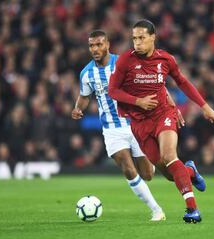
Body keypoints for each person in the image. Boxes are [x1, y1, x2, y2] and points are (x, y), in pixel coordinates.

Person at [108, 20, 214, 223]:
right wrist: (138, 101)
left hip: (163, 114)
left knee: (170, 156)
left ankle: (192, 210)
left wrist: (205, 107)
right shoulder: (126, 60)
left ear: (153, 37)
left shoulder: (166, 59)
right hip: (139, 124)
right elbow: (113, 90)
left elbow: (183, 82)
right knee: (171, 174)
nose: (137, 42)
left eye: (142, 38)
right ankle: (190, 171)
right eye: (134, 38)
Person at [72, 30, 172, 221]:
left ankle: (154, 164)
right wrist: (78, 108)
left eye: (99, 44)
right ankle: (156, 210)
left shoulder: (124, 63)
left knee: (147, 174)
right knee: (128, 169)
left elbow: (151, 82)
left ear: (107, 44)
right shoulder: (86, 73)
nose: (95, 49)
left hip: (135, 122)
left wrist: (168, 100)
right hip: (111, 129)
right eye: (91, 45)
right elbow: (85, 96)